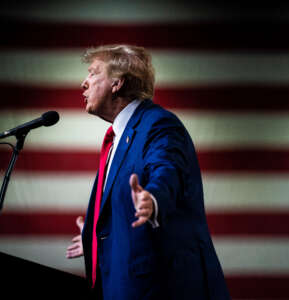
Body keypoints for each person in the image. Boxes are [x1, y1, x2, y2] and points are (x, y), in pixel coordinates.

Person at [66, 44, 230, 300]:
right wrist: (96, 237)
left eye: (93, 73)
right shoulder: (119, 138)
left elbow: (167, 170)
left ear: (117, 83)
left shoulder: (158, 124)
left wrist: (153, 199)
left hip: (162, 289)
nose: (83, 83)